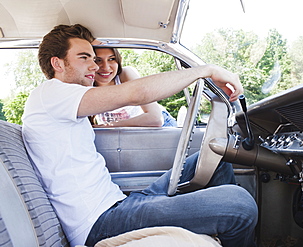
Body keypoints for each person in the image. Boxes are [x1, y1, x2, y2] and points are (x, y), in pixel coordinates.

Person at [22, 24, 258, 247]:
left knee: (214, 161)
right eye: (84, 58)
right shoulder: (51, 93)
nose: (95, 66)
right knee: (239, 204)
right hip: (100, 222)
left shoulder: (61, 101)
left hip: (119, 203)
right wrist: (207, 71)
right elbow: (137, 93)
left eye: (93, 58)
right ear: (57, 63)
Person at [91, 47, 177, 127]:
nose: (106, 67)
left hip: (160, 126)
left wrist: (108, 126)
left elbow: (156, 119)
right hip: (124, 131)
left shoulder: (125, 74)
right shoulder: (87, 85)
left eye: (111, 59)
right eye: (98, 60)